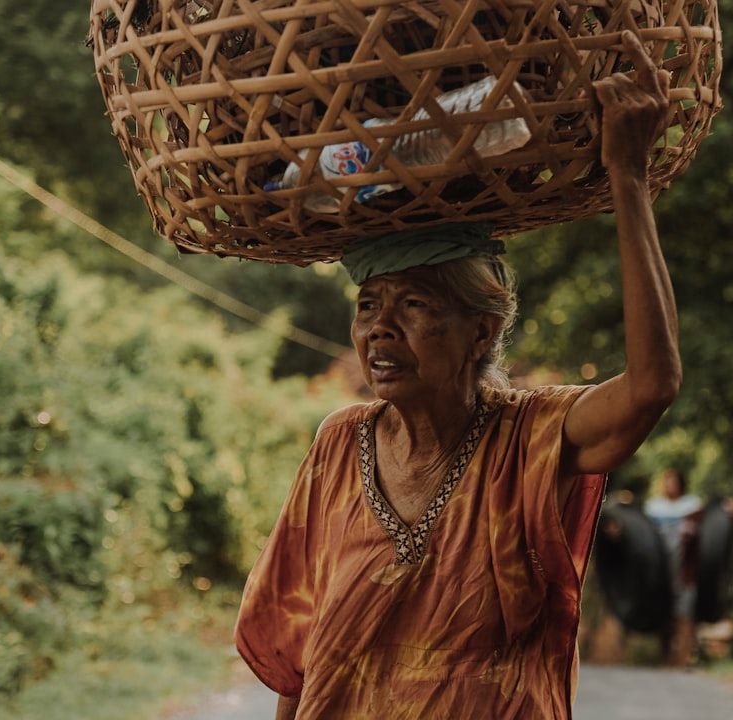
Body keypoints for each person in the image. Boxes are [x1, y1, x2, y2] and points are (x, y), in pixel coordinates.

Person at [235, 30, 680, 719]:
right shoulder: (337, 445)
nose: (380, 327)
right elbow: (301, 651)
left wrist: (627, 174)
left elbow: (651, 386)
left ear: (481, 331)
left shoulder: (529, 437)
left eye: (413, 304)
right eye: (369, 305)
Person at [644, 468, 703, 667]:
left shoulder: (693, 507)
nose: (668, 485)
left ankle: (684, 659)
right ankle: (666, 660)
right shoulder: (653, 508)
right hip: (661, 574)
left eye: (672, 481)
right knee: (665, 618)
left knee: (685, 615)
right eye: (666, 481)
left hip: (686, 571)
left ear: (681, 484)